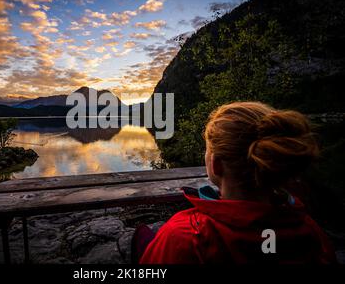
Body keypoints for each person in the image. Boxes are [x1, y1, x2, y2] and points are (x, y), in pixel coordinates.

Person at [134, 101, 336, 264]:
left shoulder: (186, 236)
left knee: (142, 238)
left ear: (216, 165)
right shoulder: (309, 229)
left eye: (207, 150)